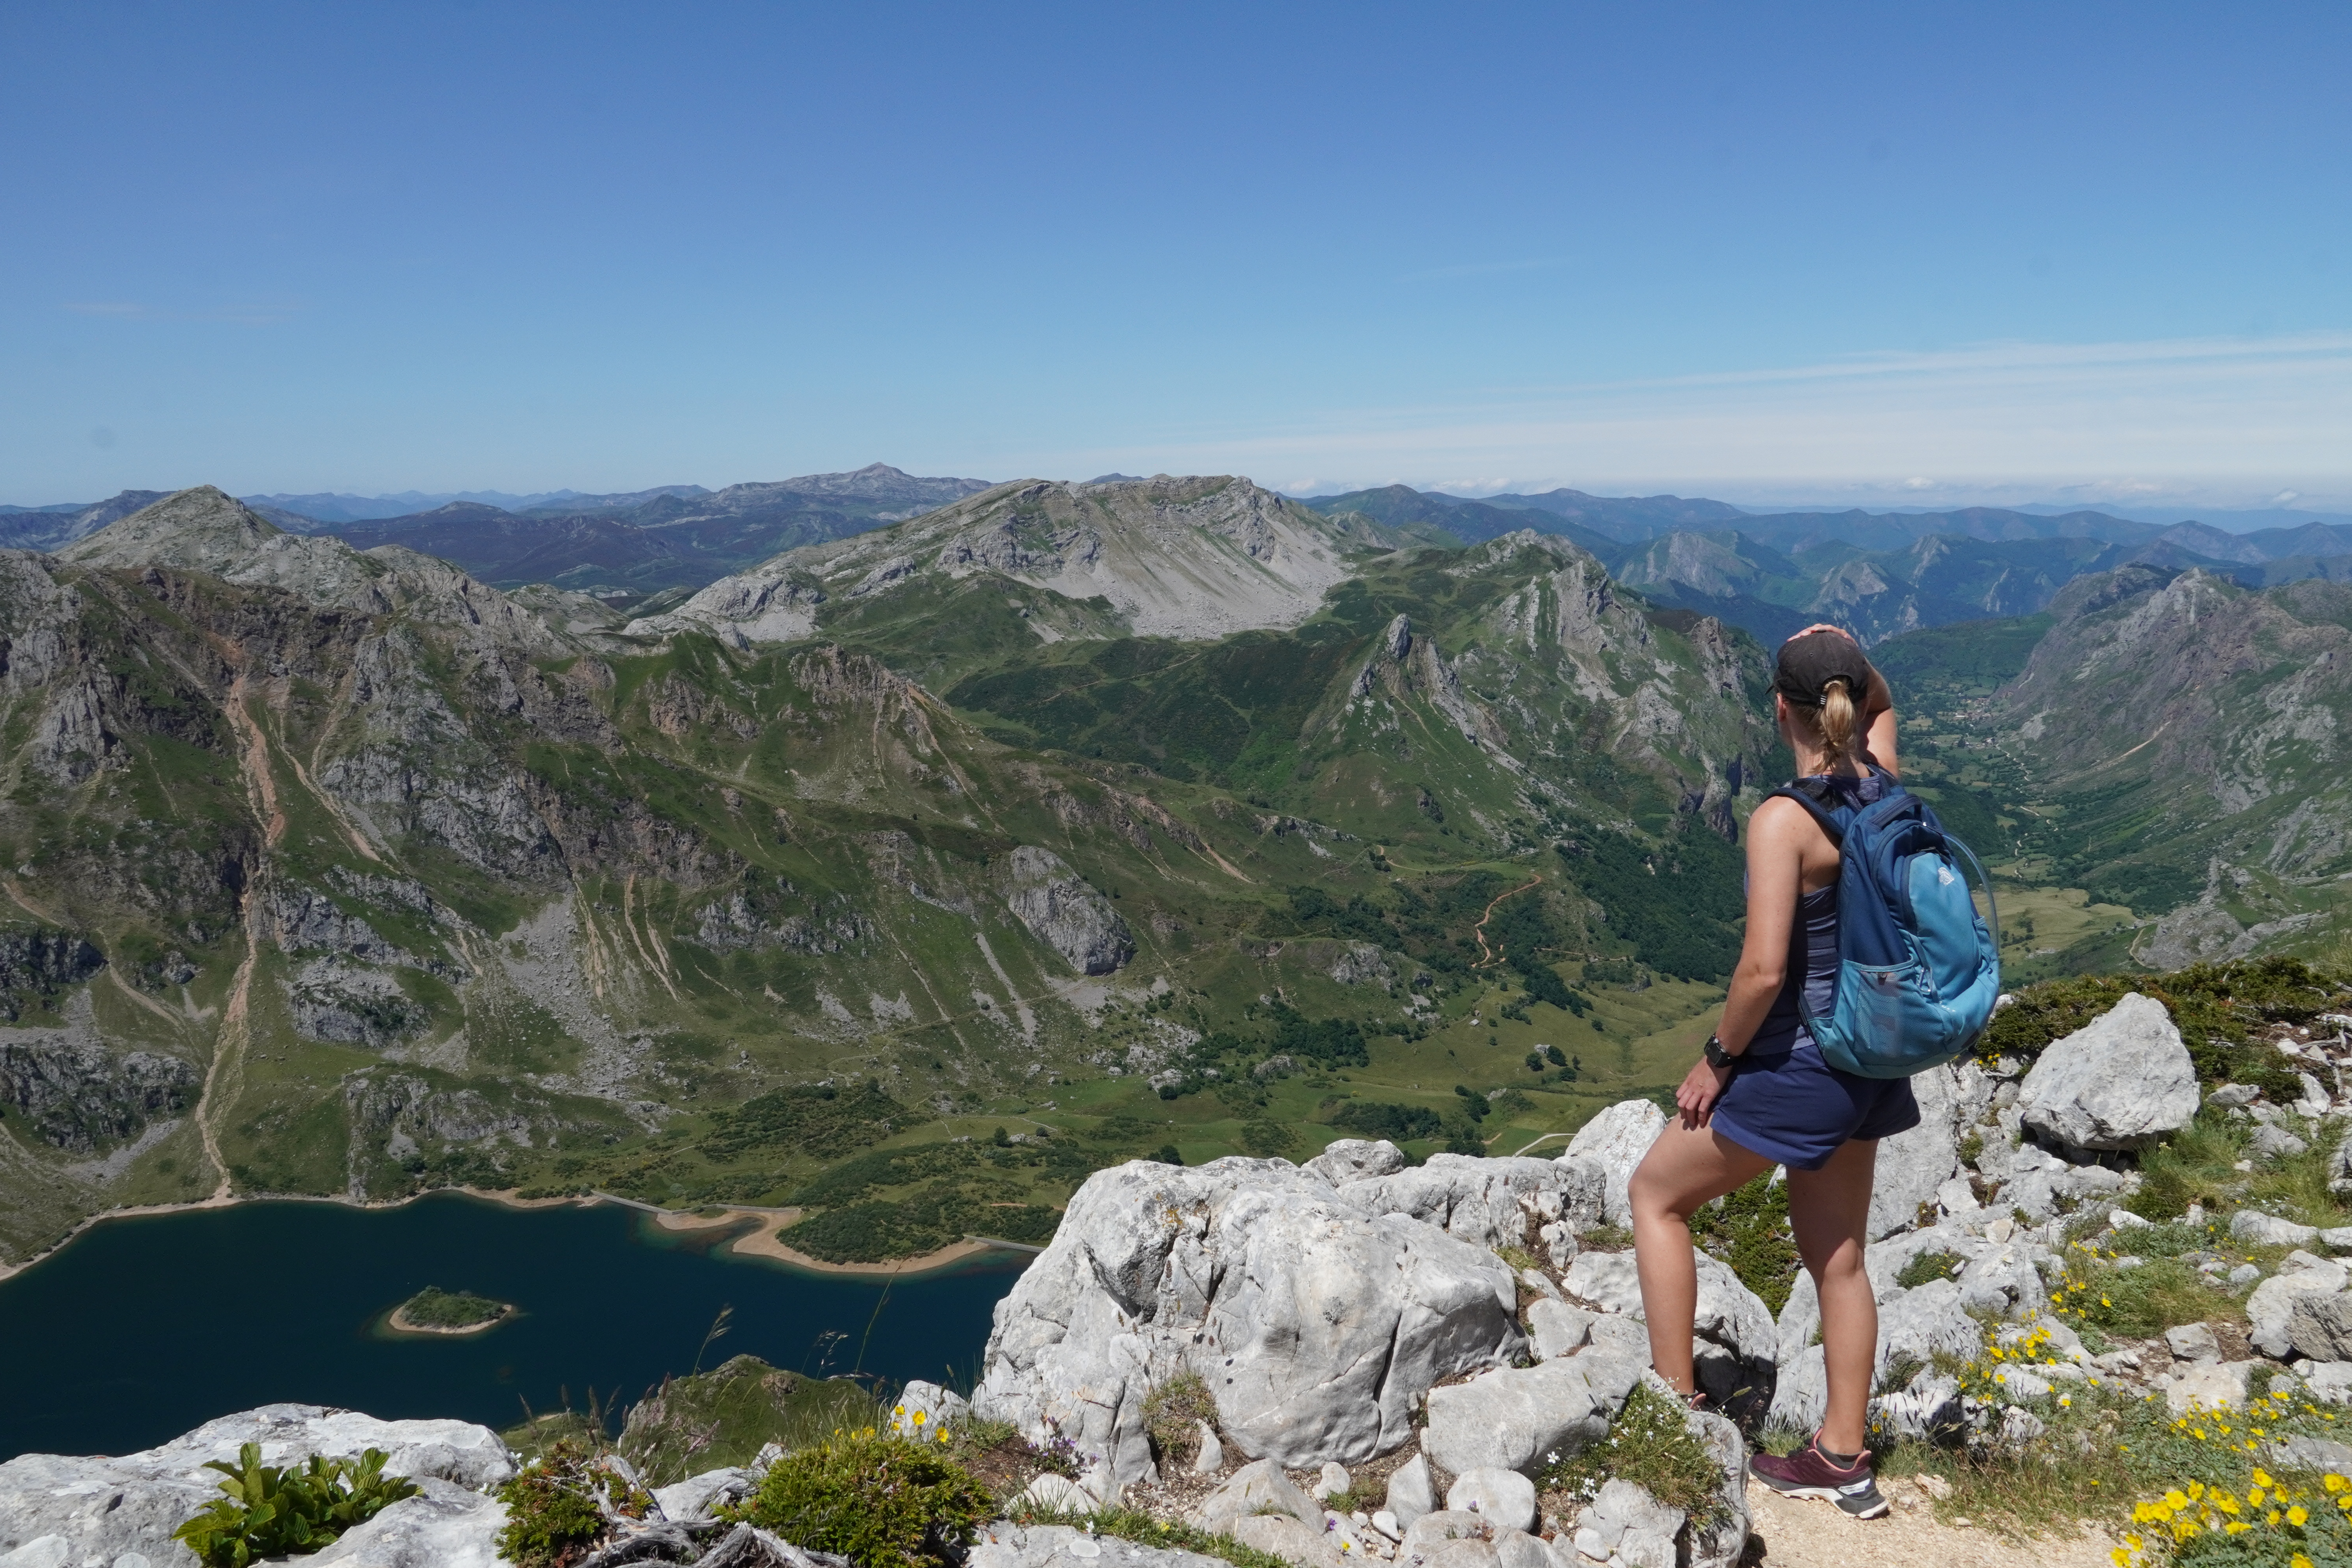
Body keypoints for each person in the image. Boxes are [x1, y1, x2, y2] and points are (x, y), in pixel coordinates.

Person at [1625, 623, 1911, 1521]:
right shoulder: (1885, 784)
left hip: (1799, 1062)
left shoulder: (1784, 819)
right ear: (1855, 696)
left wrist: (1716, 1060)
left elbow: (1760, 971)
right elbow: (1887, 701)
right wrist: (1848, 657)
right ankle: (1841, 1454)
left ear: (1777, 709)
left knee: (1654, 1195)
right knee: (1841, 1259)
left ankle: (1677, 1409)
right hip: (1871, 1055)